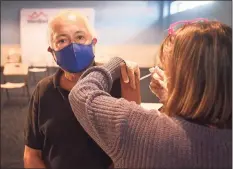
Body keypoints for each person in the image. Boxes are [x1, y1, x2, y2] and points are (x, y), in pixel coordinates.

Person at [68, 19, 232, 168]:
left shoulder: (141, 130)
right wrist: (171, 100)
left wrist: (115, 63)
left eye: (167, 68)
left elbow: (82, 93)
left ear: (182, 78)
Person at [23, 10, 140, 169]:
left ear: (93, 43)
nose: (73, 46)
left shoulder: (118, 85)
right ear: (52, 51)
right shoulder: (43, 91)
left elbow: (134, 149)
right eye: (62, 40)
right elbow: (31, 154)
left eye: (80, 37)